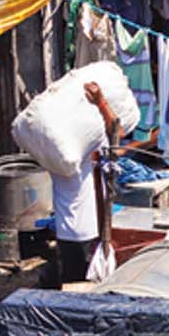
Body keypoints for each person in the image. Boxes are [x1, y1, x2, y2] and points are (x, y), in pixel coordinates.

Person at [50, 81, 120, 288]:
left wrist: (99, 103)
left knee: (77, 282)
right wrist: (101, 103)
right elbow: (117, 131)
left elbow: (116, 132)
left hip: (73, 229)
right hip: (84, 228)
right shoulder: (77, 144)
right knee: (85, 286)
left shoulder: (58, 146)